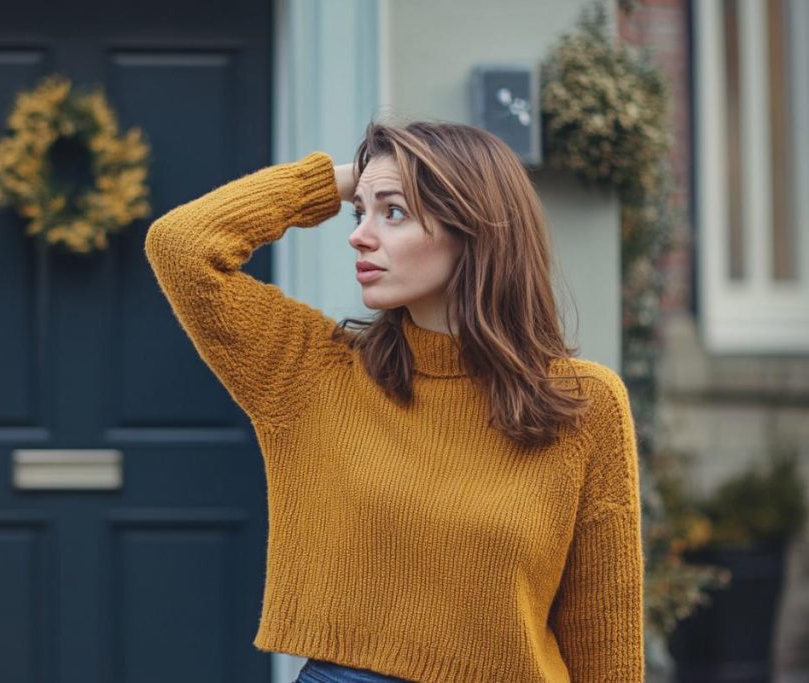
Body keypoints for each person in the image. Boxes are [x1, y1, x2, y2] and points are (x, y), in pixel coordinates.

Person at [144, 120, 644, 682]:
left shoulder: (582, 403)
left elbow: (603, 633)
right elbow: (182, 246)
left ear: (472, 227)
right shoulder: (315, 371)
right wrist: (352, 177)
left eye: (394, 212)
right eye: (361, 213)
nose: (359, 234)